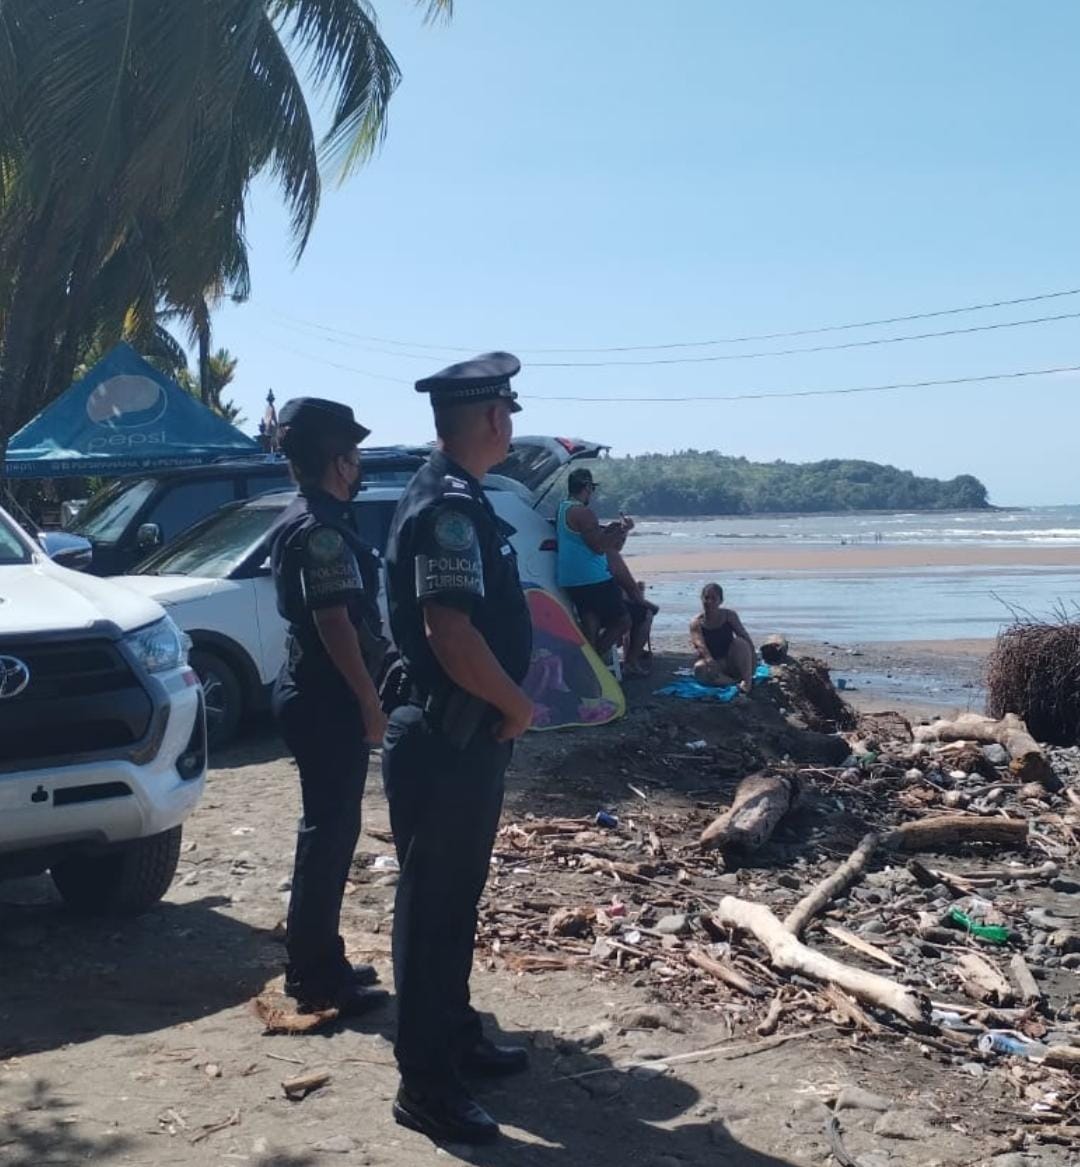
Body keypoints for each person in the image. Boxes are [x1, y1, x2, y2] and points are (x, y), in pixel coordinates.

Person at [382, 352, 534, 1145]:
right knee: (434, 908)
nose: (509, 424)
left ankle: (454, 1033)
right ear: (493, 419)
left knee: (454, 901)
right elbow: (450, 632)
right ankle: (426, 1084)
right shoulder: (447, 505)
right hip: (450, 734)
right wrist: (517, 704)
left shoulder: (456, 494)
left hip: (460, 733)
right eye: (506, 412)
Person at [269, 398, 390, 1016]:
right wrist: (370, 702)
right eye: (356, 457)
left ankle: (321, 958)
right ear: (340, 463)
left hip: (316, 692)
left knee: (331, 831)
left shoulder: (313, 518)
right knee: (329, 835)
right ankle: (314, 976)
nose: (360, 466)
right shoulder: (321, 530)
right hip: (326, 698)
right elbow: (334, 622)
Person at [556, 467, 634, 662]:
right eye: (592, 488)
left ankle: (588, 664)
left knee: (591, 622)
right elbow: (599, 547)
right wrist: (623, 530)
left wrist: (607, 531)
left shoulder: (563, 508)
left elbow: (584, 539)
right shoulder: (583, 512)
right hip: (593, 578)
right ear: (587, 487)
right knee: (623, 621)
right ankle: (593, 663)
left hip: (571, 579)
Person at [690, 581, 755, 692]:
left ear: (721, 601)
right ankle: (733, 683)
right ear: (702, 599)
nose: (709, 602)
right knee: (699, 668)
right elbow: (700, 645)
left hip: (732, 660)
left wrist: (753, 657)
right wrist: (710, 661)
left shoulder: (729, 616)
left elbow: (743, 635)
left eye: (713, 598)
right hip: (714, 663)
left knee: (741, 643)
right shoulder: (696, 622)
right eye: (706, 598)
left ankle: (747, 682)